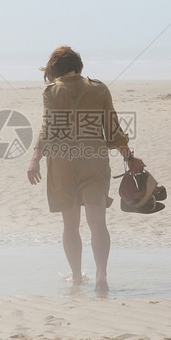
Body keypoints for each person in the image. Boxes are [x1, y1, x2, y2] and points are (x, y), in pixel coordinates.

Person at [27, 46, 141, 293]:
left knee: (70, 225)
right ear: (79, 66)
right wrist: (129, 156)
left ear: (55, 69)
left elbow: (48, 127)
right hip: (94, 161)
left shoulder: (52, 91)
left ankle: (77, 277)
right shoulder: (99, 89)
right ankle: (101, 275)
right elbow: (113, 131)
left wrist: (35, 157)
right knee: (97, 223)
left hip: (62, 163)